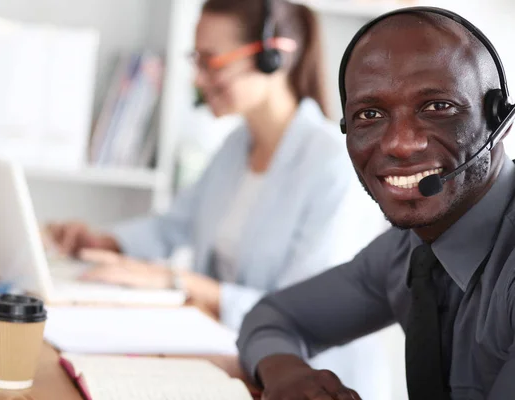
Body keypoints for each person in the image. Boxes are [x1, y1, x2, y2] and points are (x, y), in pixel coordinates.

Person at [46, 0, 382, 330]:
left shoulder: (335, 163)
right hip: (234, 350)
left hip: (312, 373)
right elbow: (173, 226)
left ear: (271, 58)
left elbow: (306, 309)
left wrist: (176, 281)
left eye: (211, 63)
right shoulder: (236, 147)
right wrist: (100, 243)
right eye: (197, 61)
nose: (198, 80)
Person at [236, 6, 515, 400]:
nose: (400, 143)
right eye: (370, 114)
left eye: (437, 107)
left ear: (498, 119)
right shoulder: (408, 252)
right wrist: (287, 373)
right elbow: (272, 318)